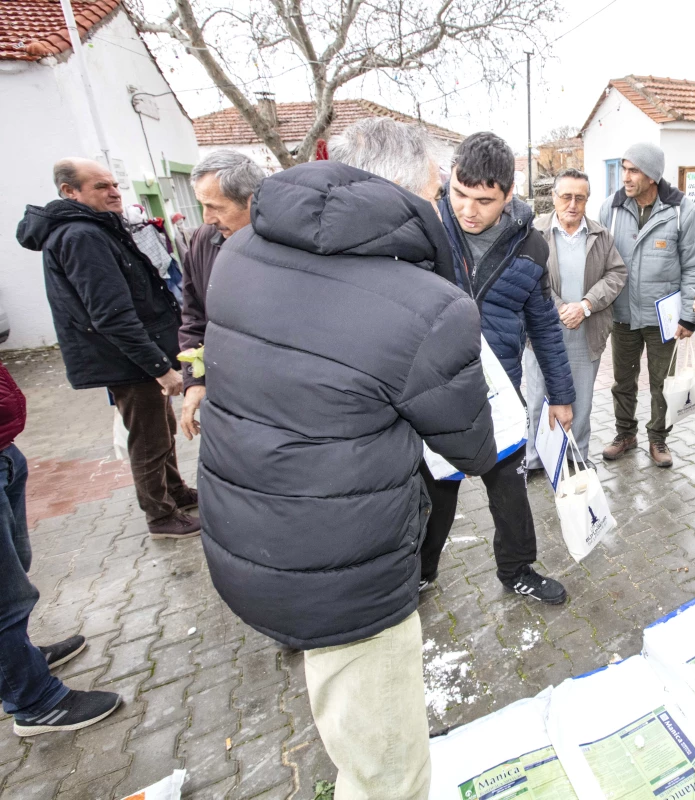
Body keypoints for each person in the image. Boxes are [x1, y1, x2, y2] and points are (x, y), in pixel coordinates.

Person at [197, 160, 496, 799]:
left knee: (335, 696)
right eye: (436, 188)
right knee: (388, 770)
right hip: (347, 569)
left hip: (249, 538)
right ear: (399, 191)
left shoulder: (241, 250)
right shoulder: (428, 309)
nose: (444, 202)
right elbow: (471, 448)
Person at [428, 132, 575, 604]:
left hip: (500, 395)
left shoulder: (530, 247)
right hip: (434, 391)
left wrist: (561, 394)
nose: (468, 210)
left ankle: (517, 570)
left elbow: (545, 327)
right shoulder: (426, 229)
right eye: (459, 195)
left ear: (509, 195)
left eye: (484, 200)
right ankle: (418, 573)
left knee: (510, 495)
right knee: (433, 497)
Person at [16, 159, 199, 540]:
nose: (114, 192)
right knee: (149, 437)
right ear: (70, 191)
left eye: (115, 184)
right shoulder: (82, 236)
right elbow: (111, 314)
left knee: (159, 428)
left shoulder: (95, 228)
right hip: (126, 359)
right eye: (101, 186)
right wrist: (158, 367)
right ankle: (160, 515)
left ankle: (175, 493)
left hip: (132, 355)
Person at [0, 359, 122, 736]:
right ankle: (34, 701)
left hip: (4, 444)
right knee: (7, 597)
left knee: (17, 566)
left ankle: (20, 659)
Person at [599, 142, 695, 468]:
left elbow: (693, 266)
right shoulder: (611, 209)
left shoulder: (680, 211)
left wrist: (689, 315)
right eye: (624, 169)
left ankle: (658, 439)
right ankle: (625, 434)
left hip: (665, 319)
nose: (625, 177)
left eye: (633, 170)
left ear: (652, 175)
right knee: (623, 381)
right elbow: (600, 260)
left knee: (663, 382)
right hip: (623, 314)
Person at [526, 168, 627, 468]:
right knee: (537, 401)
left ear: (587, 200)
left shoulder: (600, 235)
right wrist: (559, 307)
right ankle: (534, 459)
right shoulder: (534, 234)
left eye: (580, 198)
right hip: (543, 331)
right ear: (554, 197)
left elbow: (617, 274)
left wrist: (585, 305)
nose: (573, 204)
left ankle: (576, 456)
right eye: (566, 196)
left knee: (581, 402)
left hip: (586, 331)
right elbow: (528, 276)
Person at [178, 150, 266, 441]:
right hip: (229, 398)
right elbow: (193, 317)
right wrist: (194, 380)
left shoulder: (295, 244)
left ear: (251, 201)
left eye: (215, 207)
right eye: (202, 206)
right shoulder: (204, 240)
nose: (206, 218)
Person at [328, 116, 457, 283]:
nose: (439, 216)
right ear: (396, 194)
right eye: (435, 198)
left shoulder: (290, 254)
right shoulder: (431, 300)